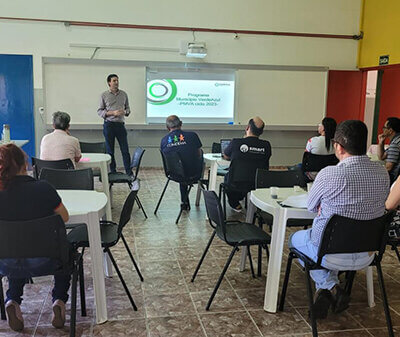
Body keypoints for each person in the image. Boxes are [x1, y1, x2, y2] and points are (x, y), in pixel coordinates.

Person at [289, 120, 390, 319]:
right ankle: (328, 288)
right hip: (367, 253)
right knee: (328, 246)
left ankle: (330, 286)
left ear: (338, 146)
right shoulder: (382, 172)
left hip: (329, 252)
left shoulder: (330, 174)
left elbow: (310, 206)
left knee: (295, 239)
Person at [0, 144, 70, 332]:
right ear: (25, 165)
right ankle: (59, 300)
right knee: (66, 250)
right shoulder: (44, 189)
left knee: (16, 250)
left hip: (5, 263)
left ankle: (13, 299)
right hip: (48, 261)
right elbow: (64, 217)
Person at [223, 117, 271, 211]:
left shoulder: (236, 142)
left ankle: (235, 203)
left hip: (236, 184)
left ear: (247, 127)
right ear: (261, 132)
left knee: (227, 177)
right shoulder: (266, 145)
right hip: (258, 184)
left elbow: (226, 155)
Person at [160, 115, 203, 210]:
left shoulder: (164, 141)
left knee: (180, 168)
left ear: (167, 127)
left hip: (174, 174)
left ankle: (184, 201)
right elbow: (199, 154)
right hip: (194, 173)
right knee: (185, 166)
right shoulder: (193, 136)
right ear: (181, 124)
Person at [98, 74, 132, 175]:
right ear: (109, 83)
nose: (116, 82)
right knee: (110, 150)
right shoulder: (104, 95)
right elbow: (100, 111)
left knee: (125, 150)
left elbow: (128, 109)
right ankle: (113, 172)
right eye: (114, 81)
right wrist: (113, 113)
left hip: (120, 125)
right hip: (109, 125)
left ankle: (129, 172)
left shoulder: (124, 94)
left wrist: (125, 112)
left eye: (117, 80)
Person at [378, 117, 400, 183]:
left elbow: (388, 168)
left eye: (384, 127)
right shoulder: (396, 140)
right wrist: (381, 142)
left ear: (390, 130)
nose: (383, 129)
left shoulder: (395, 143)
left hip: (394, 179)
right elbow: (381, 157)